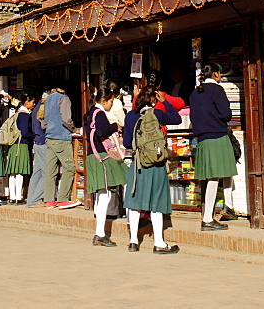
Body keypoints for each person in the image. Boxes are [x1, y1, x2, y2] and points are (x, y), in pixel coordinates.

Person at [124, 82, 180, 254]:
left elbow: (127, 142)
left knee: (135, 202)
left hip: (138, 164)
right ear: (154, 99)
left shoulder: (130, 116)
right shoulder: (157, 113)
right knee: (157, 202)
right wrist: (165, 102)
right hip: (155, 163)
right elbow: (177, 118)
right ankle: (159, 243)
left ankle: (133, 241)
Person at [190, 64, 238, 231]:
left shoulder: (195, 92)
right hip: (217, 134)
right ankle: (208, 218)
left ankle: (219, 210)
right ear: (216, 74)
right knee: (215, 176)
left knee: (215, 175)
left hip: (202, 138)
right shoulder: (217, 90)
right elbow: (226, 113)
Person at [84, 82, 126, 246]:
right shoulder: (99, 113)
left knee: (104, 194)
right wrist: (114, 126)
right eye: (111, 101)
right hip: (100, 155)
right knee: (105, 194)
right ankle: (100, 234)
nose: (111, 104)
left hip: (94, 155)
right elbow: (101, 131)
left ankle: (100, 233)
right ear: (105, 100)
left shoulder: (91, 113)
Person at [42, 87, 80, 209]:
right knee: (69, 168)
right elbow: (66, 119)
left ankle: (49, 200)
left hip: (50, 137)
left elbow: (43, 121)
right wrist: (74, 129)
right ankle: (63, 199)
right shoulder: (63, 99)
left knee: (50, 170)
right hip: (61, 137)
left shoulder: (47, 100)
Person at [4, 93, 36, 203]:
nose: (34, 104)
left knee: (13, 172)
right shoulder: (25, 115)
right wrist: (34, 136)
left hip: (13, 144)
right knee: (19, 172)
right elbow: (25, 132)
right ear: (26, 102)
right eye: (32, 102)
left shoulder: (17, 114)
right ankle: (18, 196)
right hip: (21, 145)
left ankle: (12, 196)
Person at [25, 92, 47, 207]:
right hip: (43, 142)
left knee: (37, 172)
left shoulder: (36, 108)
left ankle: (31, 199)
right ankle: (36, 199)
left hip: (36, 142)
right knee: (47, 173)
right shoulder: (43, 108)